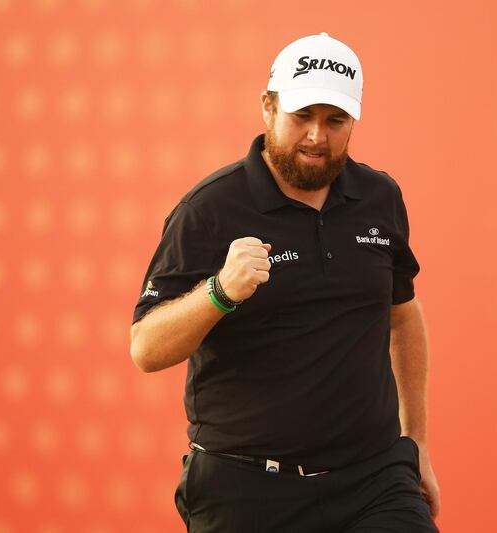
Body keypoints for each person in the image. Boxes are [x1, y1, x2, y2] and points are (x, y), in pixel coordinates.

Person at [129, 32, 440, 532]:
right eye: (302, 117)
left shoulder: (379, 197)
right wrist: (220, 292)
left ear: (353, 121)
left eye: (334, 120)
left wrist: (416, 441)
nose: (317, 136)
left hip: (373, 482)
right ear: (268, 108)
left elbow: (402, 315)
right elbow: (146, 348)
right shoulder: (209, 210)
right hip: (246, 491)